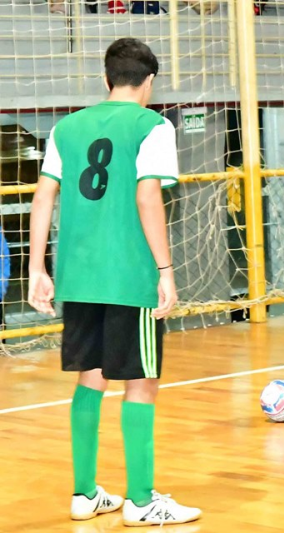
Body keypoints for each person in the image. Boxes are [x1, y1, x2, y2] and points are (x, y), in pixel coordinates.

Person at [28, 38, 201, 526]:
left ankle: (85, 494)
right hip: (129, 275)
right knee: (142, 382)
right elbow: (149, 197)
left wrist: (38, 268)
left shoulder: (66, 127)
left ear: (106, 79)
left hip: (78, 275)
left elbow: (45, 198)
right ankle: (142, 502)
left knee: (91, 378)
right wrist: (165, 271)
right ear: (149, 82)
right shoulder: (153, 125)